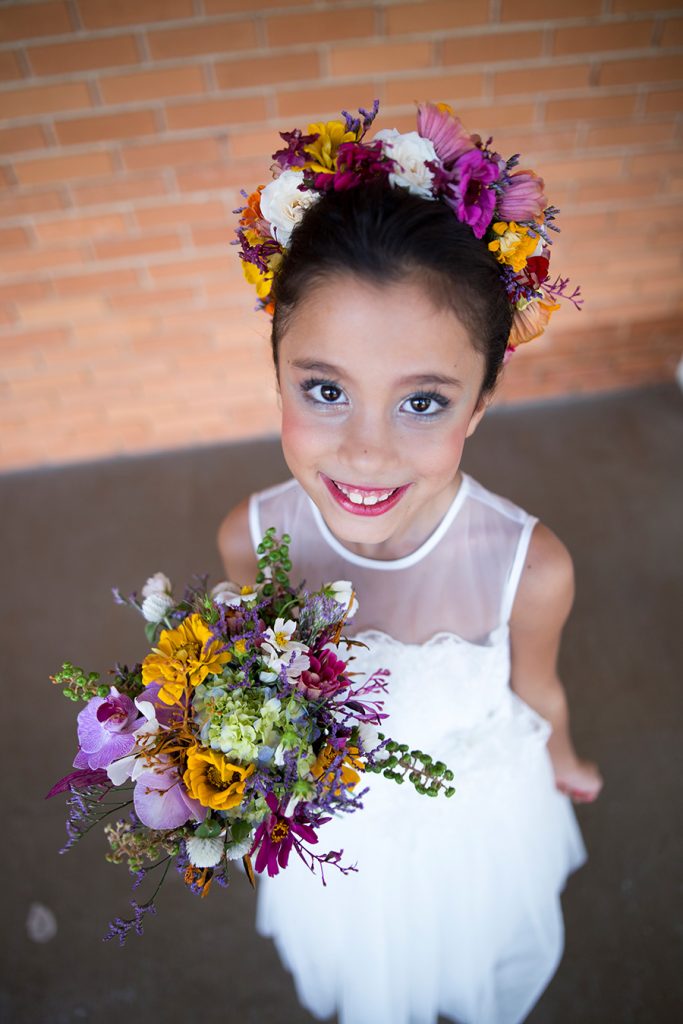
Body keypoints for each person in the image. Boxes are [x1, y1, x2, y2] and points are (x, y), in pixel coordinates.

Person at [217, 101, 603, 1024]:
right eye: (324, 390)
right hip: (336, 841)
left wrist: (562, 753)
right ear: (276, 375)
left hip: (467, 823)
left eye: (423, 403)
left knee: (459, 943)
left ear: (478, 407)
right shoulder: (249, 539)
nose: (367, 453)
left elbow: (536, 690)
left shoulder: (530, 566)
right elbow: (249, 689)